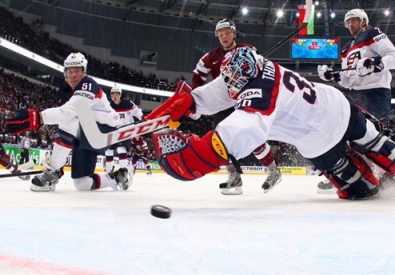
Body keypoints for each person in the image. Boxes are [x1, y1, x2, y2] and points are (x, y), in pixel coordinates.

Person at [148, 47, 395, 200]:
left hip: (321, 142)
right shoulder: (258, 66)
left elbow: (243, 129)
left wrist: (197, 157)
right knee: (379, 145)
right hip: (339, 107)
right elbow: (226, 86)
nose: (230, 83)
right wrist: (192, 101)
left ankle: (373, 175)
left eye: (233, 80)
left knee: (363, 190)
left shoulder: (261, 93)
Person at [5, 52, 130, 192]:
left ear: (84, 72)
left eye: (76, 71)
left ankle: (51, 172)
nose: (73, 75)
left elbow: (68, 113)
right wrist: (60, 159)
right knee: (82, 183)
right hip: (87, 136)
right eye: (69, 71)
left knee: (69, 119)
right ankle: (117, 176)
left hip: (104, 133)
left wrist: (37, 118)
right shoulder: (64, 91)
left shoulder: (88, 85)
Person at [192, 18, 282, 195]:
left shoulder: (247, 49)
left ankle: (273, 171)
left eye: (227, 33)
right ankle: (234, 176)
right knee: (220, 140)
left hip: (245, 99)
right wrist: (202, 95)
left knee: (253, 136)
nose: (224, 37)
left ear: (234, 33)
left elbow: (263, 69)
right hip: (222, 103)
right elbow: (197, 75)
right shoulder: (210, 57)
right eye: (220, 34)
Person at [317, 8, 395, 193]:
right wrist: (333, 76)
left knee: (369, 137)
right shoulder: (346, 48)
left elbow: (392, 55)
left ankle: (385, 174)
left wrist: (378, 63)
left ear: (363, 20)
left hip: (375, 92)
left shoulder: (373, 33)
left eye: (354, 20)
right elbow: (349, 79)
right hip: (355, 95)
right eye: (348, 22)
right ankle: (353, 173)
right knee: (349, 137)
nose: (350, 25)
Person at [105, 87, 143, 174]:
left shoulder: (127, 103)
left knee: (121, 149)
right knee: (108, 151)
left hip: (126, 130)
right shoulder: (109, 106)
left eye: (117, 94)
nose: (115, 96)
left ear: (120, 95)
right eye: (113, 94)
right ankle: (108, 172)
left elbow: (137, 112)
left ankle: (123, 172)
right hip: (114, 130)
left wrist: (143, 118)